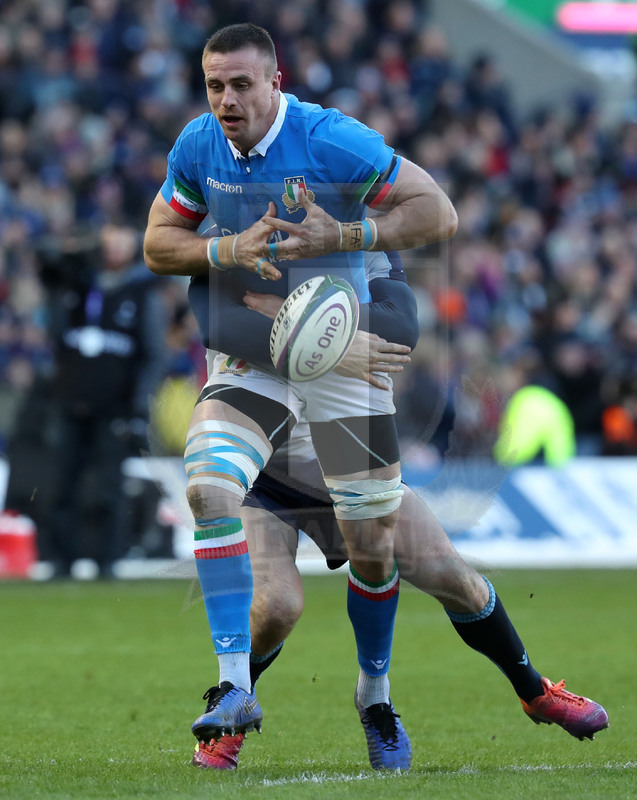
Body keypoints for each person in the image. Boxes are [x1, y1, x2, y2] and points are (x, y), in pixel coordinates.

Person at [143, 21, 457, 754]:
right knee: (207, 487)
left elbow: (436, 211)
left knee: (374, 545)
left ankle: (373, 696)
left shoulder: (330, 140)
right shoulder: (196, 145)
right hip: (259, 358)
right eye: (214, 85)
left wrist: (343, 238)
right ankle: (231, 687)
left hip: (341, 357)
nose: (225, 99)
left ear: (274, 82)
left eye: (241, 84)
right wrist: (222, 248)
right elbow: (159, 242)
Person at [188, 269, 609, 771]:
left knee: (456, 579)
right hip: (261, 470)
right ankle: (230, 713)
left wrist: (316, 323)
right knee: (276, 605)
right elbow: (214, 320)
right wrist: (308, 330)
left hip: (347, 456)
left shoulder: (357, 224)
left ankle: (530, 690)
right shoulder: (237, 223)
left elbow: (402, 323)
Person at [6, 223, 168, 578]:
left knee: (109, 488)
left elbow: (155, 355)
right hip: (68, 402)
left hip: (114, 408)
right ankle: (62, 563)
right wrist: (68, 255)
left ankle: (106, 563)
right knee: (61, 484)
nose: (114, 248)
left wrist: (140, 404)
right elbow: (46, 279)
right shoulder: (75, 287)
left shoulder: (142, 295)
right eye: (108, 240)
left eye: (122, 241)